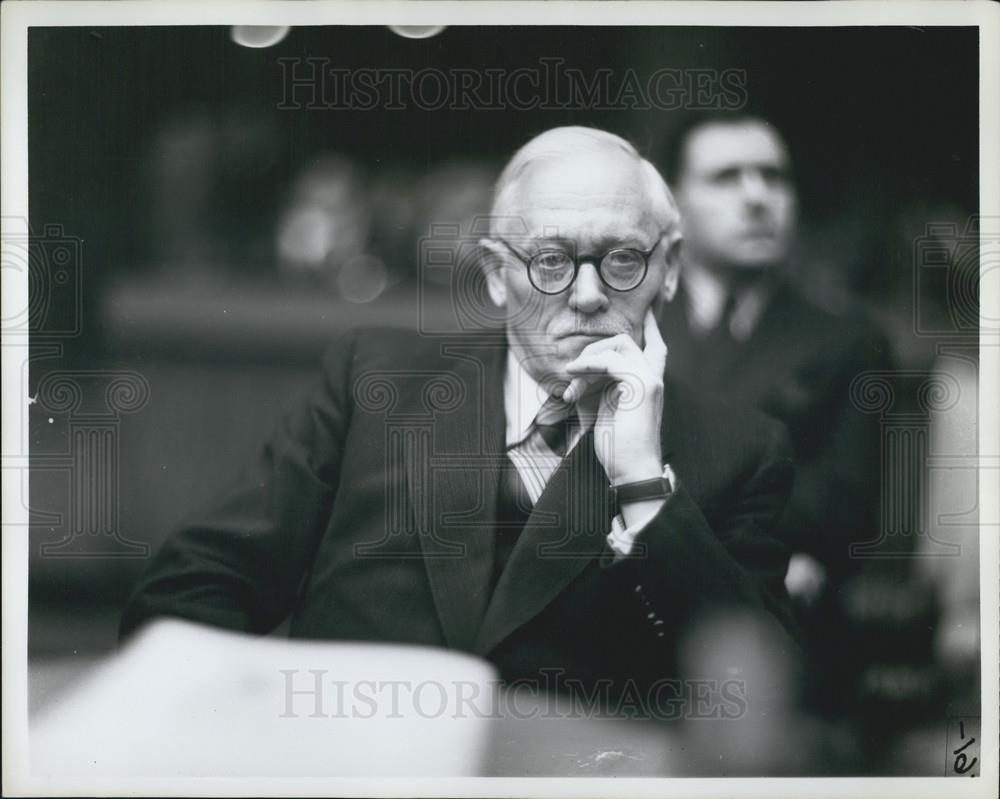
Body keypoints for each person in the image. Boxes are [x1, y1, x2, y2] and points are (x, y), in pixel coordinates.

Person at [121, 127, 800, 702]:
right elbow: (191, 588)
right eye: (551, 260)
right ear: (496, 274)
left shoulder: (740, 451)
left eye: (623, 258)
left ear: (670, 268)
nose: (589, 294)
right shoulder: (376, 383)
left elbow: (762, 697)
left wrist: (644, 488)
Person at [655, 113, 892, 707]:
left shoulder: (847, 338)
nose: (757, 197)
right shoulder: (635, 322)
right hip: (638, 596)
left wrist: (667, 494)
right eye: (725, 178)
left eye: (773, 176)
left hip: (782, 615)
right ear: (673, 203)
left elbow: (844, 506)